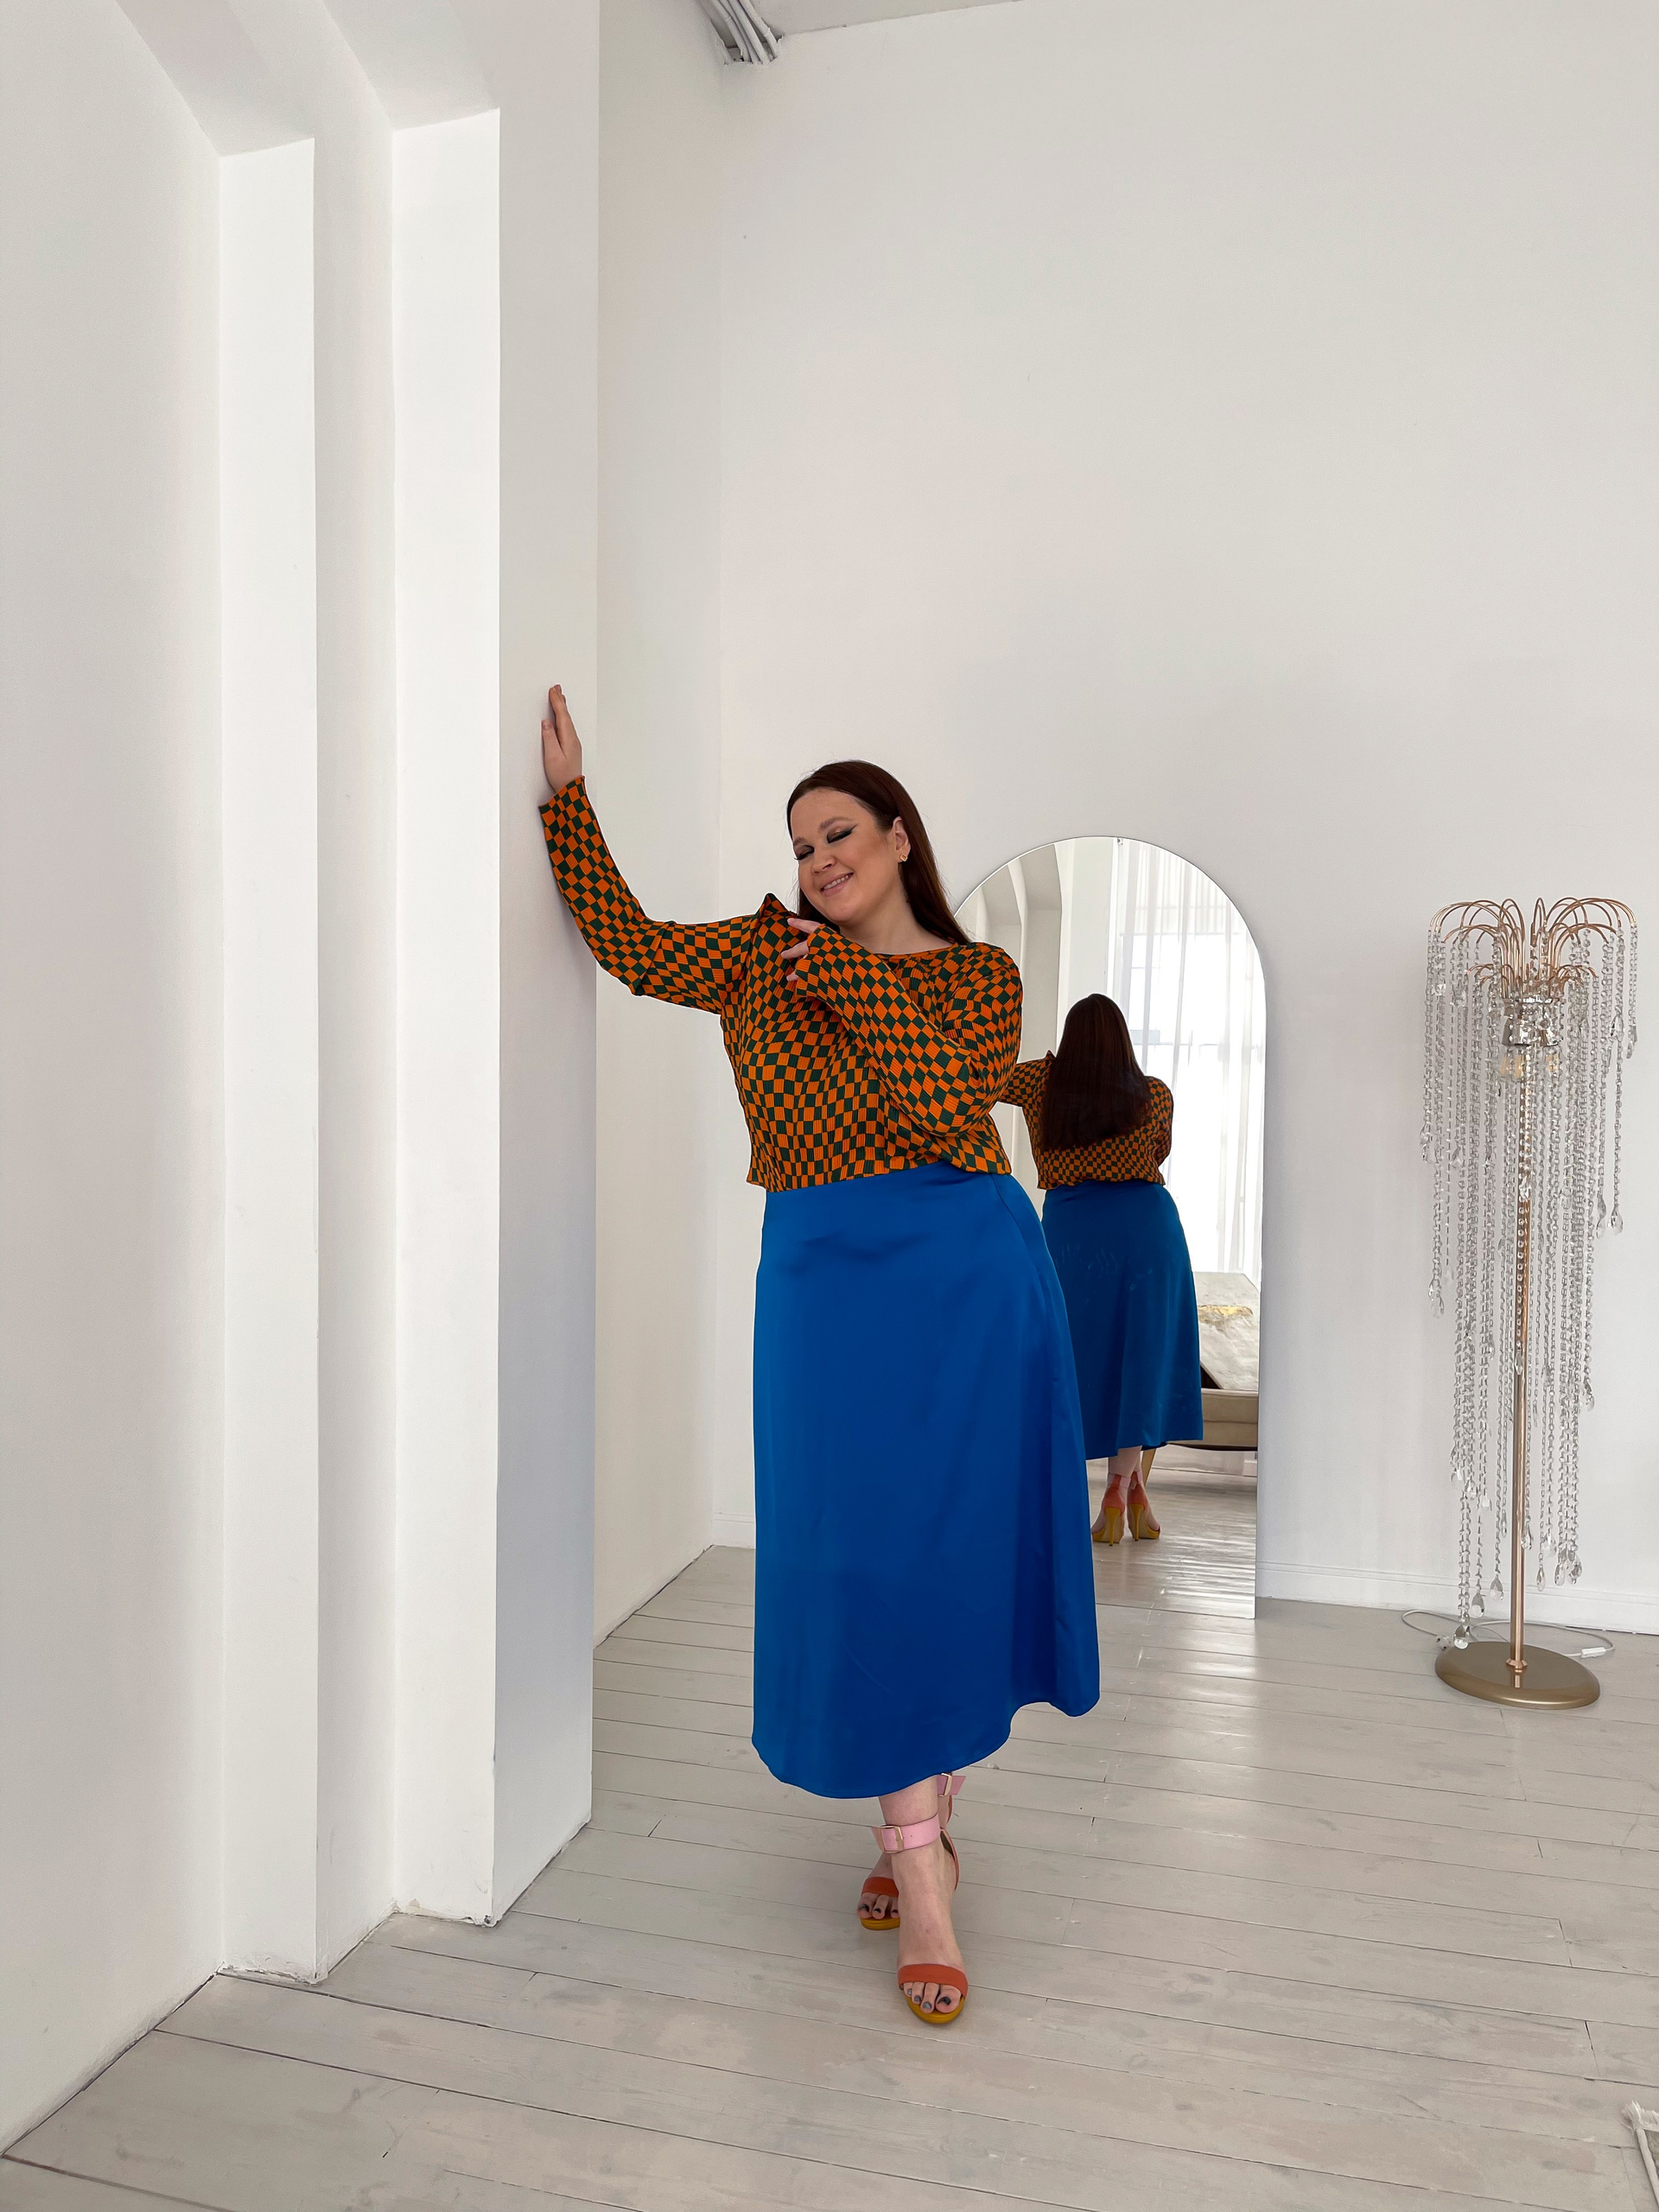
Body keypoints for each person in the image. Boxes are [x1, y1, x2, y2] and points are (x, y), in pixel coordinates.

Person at [538, 689, 1099, 2026]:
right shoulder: (758, 955)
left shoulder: (977, 977)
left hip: (967, 1276)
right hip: (823, 1281)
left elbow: (944, 1099)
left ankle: (918, 1861)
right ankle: (924, 1828)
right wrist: (567, 808)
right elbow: (631, 949)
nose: (816, 861)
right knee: (859, 1554)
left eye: (838, 833)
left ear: (900, 837)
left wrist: (834, 971)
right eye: (799, 846)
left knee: (950, 1553)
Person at [1001, 995, 1204, 1546]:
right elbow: (1157, 1153)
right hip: (1147, 1228)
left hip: (1075, 1230)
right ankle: (1124, 1487)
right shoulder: (1154, 1094)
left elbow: (982, 1078)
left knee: (1076, 1355)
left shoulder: (1040, 1085)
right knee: (1142, 1356)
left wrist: (1045, 1070)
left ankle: (1105, 1492)